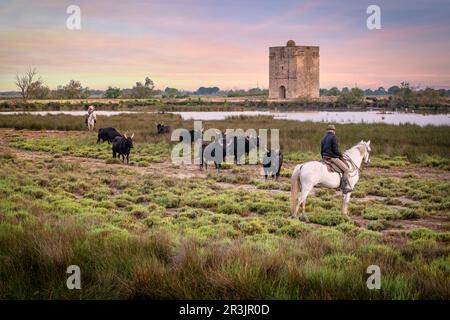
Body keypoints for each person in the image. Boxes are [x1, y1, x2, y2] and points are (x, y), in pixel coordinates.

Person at [320, 124, 352, 193]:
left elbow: (321, 150)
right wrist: (341, 155)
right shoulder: (333, 137)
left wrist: (323, 157)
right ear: (334, 130)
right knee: (346, 170)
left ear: (327, 130)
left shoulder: (324, 138)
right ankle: (345, 187)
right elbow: (335, 150)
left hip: (325, 157)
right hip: (332, 158)